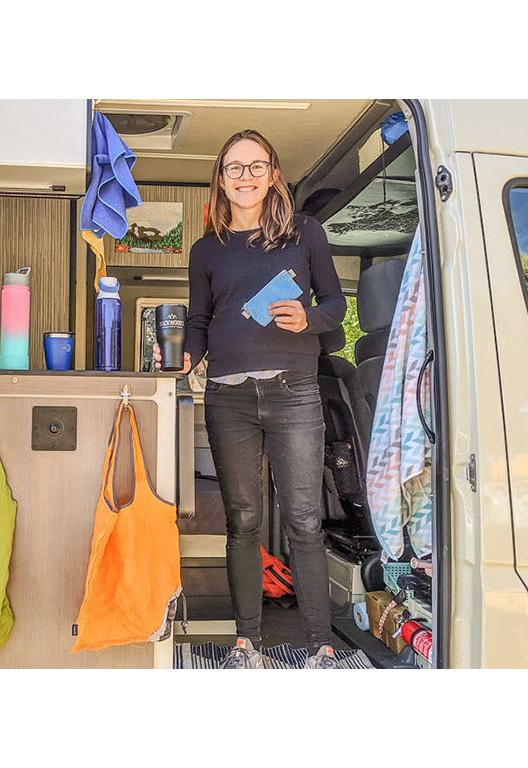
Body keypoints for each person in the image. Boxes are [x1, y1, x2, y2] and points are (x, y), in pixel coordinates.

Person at [154, 129, 346, 669]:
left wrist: (309, 317)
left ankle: (321, 647)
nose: (245, 176)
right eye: (234, 167)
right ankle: (247, 646)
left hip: (294, 394)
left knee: (304, 520)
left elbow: (336, 304)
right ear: (220, 179)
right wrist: (185, 356)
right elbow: (199, 320)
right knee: (241, 521)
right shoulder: (206, 249)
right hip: (228, 398)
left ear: (273, 174)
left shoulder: (305, 234)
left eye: (256, 166)